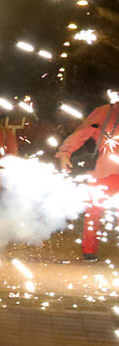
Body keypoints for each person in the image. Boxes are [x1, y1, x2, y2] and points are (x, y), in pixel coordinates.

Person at [56, 99, 119, 260]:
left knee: (94, 211)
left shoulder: (105, 111)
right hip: (105, 172)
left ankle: (89, 250)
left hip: (105, 171)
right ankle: (89, 250)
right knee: (93, 212)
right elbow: (81, 134)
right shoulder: (104, 112)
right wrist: (65, 153)